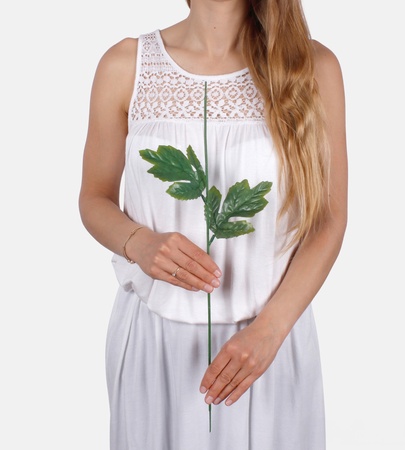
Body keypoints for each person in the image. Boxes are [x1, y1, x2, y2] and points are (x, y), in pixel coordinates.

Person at [79, 0, 347, 448]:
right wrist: (137, 242)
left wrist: (270, 331)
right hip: (153, 343)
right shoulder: (126, 65)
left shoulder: (312, 67)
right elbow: (94, 197)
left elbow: (329, 219)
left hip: (267, 346)